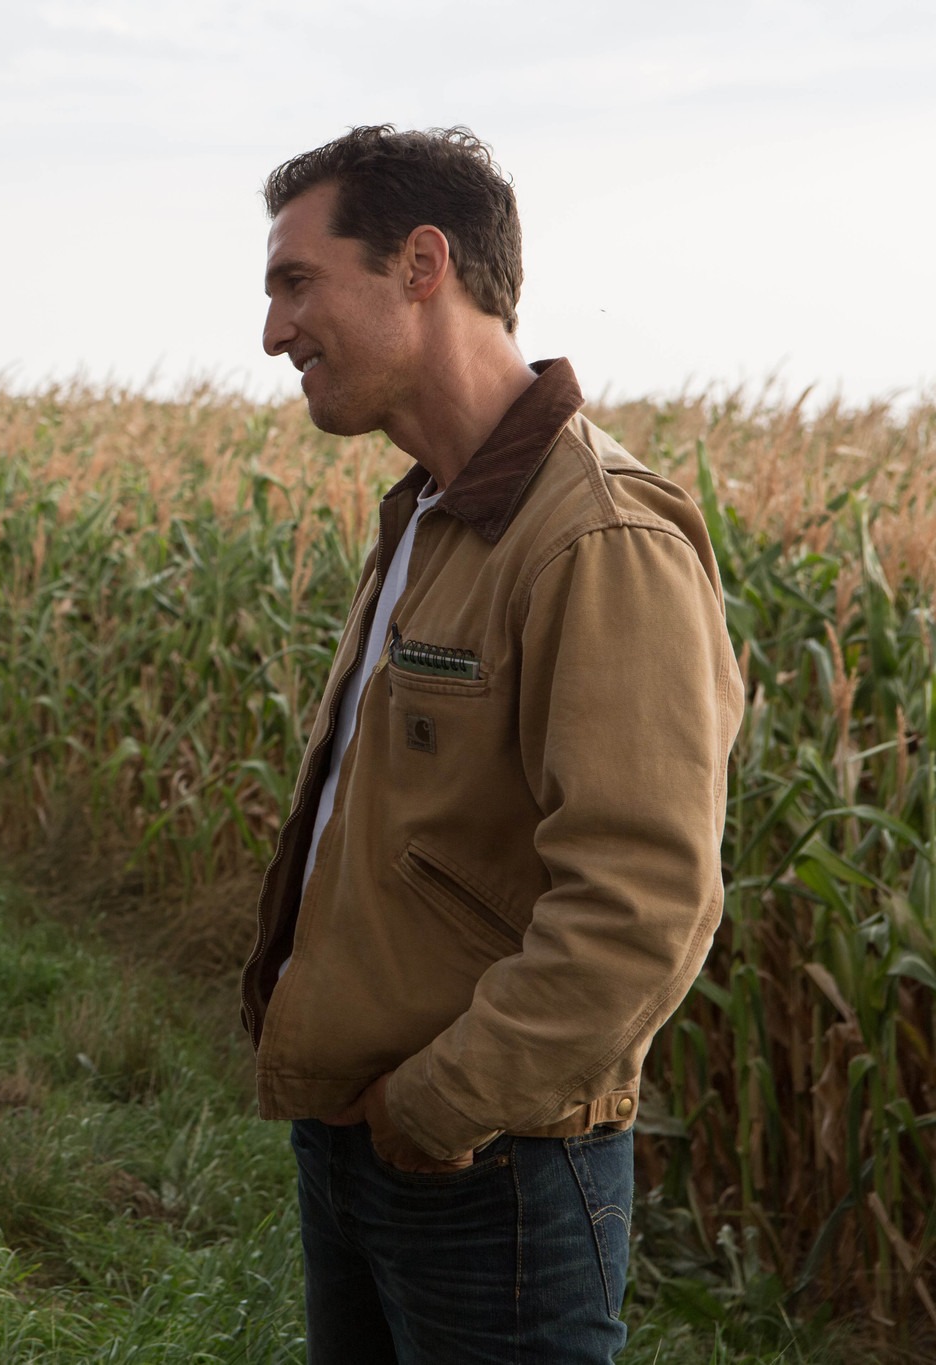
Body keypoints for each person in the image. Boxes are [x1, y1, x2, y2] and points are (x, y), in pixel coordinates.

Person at [238, 126, 742, 1363]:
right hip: (360, 1147)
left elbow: (638, 906)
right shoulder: (431, 514)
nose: (270, 332)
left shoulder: (595, 538)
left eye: (295, 282)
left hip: (492, 1175)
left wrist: (433, 1108)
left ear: (421, 265)